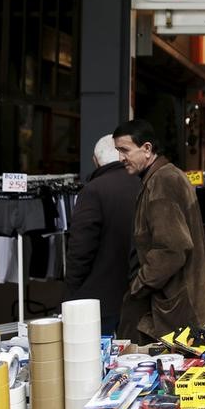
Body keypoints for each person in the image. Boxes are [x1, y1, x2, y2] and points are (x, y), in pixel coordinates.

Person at [113, 119, 205, 343]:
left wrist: (139, 285)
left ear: (147, 149)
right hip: (172, 303)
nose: (120, 158)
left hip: (169, 308)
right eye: (118, 151)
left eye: (125, 150)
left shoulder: (163, 180)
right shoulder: (162, 176)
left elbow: (172, 248)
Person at [64, 134, 141, 335]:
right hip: (138, 294)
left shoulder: (93, 190)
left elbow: (80, 248)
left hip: (99, 299)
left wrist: (72, 291)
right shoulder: (143, 184)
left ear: (96, 160)